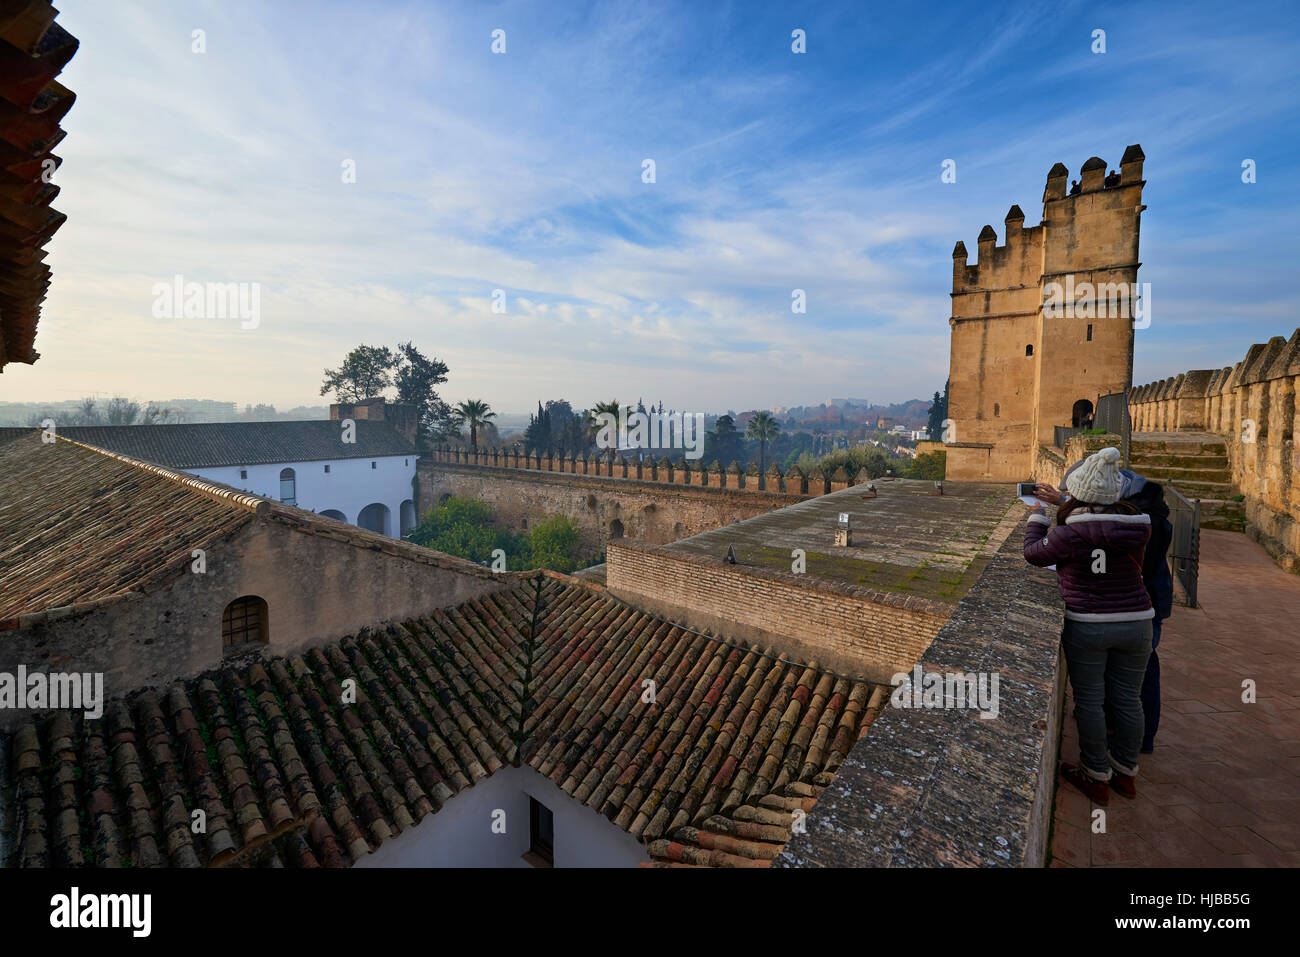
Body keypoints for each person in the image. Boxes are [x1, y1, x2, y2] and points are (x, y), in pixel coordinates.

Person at [1025, 447, 1153, 804]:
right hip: (1138, 622)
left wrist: (1038, 517)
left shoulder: (1070, 535)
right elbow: (1102, 517)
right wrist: (1068, 500)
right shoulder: (1138, 527)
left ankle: (1096, 774)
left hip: (1089, 624)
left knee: (1091, 702)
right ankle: (1126, 773)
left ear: (1078, 492)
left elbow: (1034, 554)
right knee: (1129, 699)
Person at [1039, 463, 1174, 752]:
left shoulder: (1143, 522)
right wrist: (1061, 501)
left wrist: (1041, 524)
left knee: (1134, 683)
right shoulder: (1142, 513)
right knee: (1127, 687)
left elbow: (1108, 546)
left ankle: (1130, 748)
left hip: (1132, 606)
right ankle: (1127, 760)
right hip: (1139, 611)